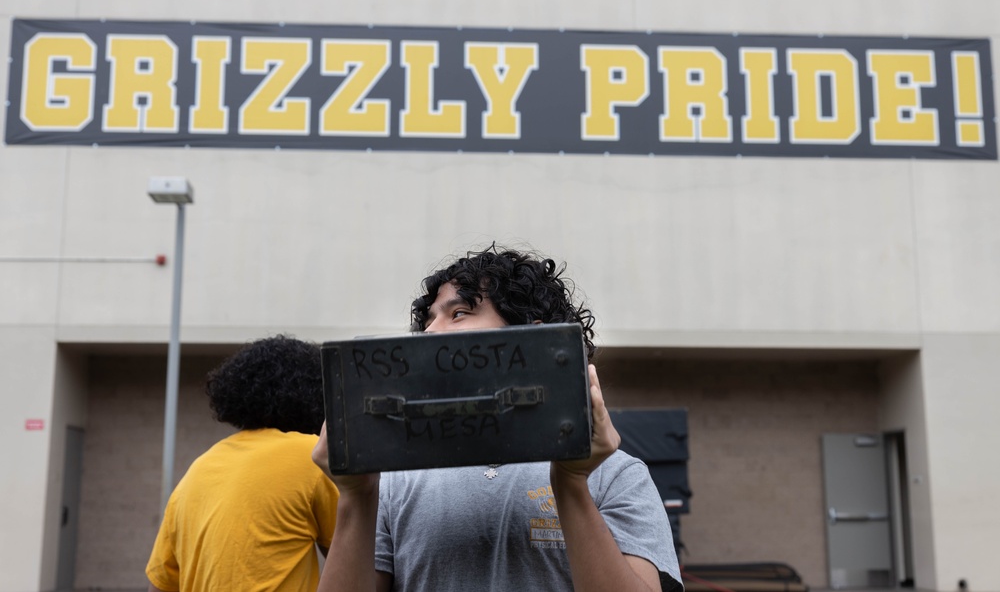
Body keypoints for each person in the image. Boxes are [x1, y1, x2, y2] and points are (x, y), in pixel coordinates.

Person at [312, 244, 681, 592]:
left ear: (533, 339)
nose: (430, 331)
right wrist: (357, 496)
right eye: (428, 320)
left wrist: (571, 482)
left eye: (458, 314)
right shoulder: (394, 480)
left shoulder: (615, 475)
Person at [146, 335, 340, 592]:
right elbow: (357, 560)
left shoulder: (197, 470)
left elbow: (159, 586)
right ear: (317, 395)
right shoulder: (312, 457)